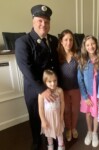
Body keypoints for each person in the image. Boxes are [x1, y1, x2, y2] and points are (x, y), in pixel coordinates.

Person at [15, 4, 59, 150]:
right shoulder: (23, 42)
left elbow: (56, 64)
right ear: (33, 21)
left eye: (46, 22)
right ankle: (36, 141)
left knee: (52, 114)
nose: (43, 24)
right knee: (35, 117)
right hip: (34, 89)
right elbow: (26, 69)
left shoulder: (53, 40)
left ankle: (51, 138)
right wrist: (41, 89)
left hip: (52, 86)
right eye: (40, 20)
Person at [77, 35, 99, 147]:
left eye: (92, 43)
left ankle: (95, 133)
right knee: (88, 113)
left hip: (98, 93)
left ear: (96, 44)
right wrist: (85, 96)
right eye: (87, 45)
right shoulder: (82, 60)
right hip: (87, 93)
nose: (90, 46)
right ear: (84, 47)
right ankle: (89, 131)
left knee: (96, 113)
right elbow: (80, 79)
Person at [57, 29, 81, 142]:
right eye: (66, 39)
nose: (68, 42)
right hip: (63, 90)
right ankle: (68, 129)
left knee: (75, 110)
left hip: (76, 88)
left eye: (71, 39)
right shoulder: (57, 56)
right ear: (61, 41)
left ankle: (74, 128)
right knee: (66, 110)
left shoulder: (77, 55)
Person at [38, 70, 65, 150]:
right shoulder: (41, 94)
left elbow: (62, 103)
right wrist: (43, 120)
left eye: (54, 81)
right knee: (49, 134)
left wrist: (61, 116)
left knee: (59, 132)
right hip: (48, 119)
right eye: (49, 81)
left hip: (57, 117)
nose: (53, 83)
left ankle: (61, 146)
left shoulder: (59, 91)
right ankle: (50, 146)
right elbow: (41, 108)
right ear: (45, 82)